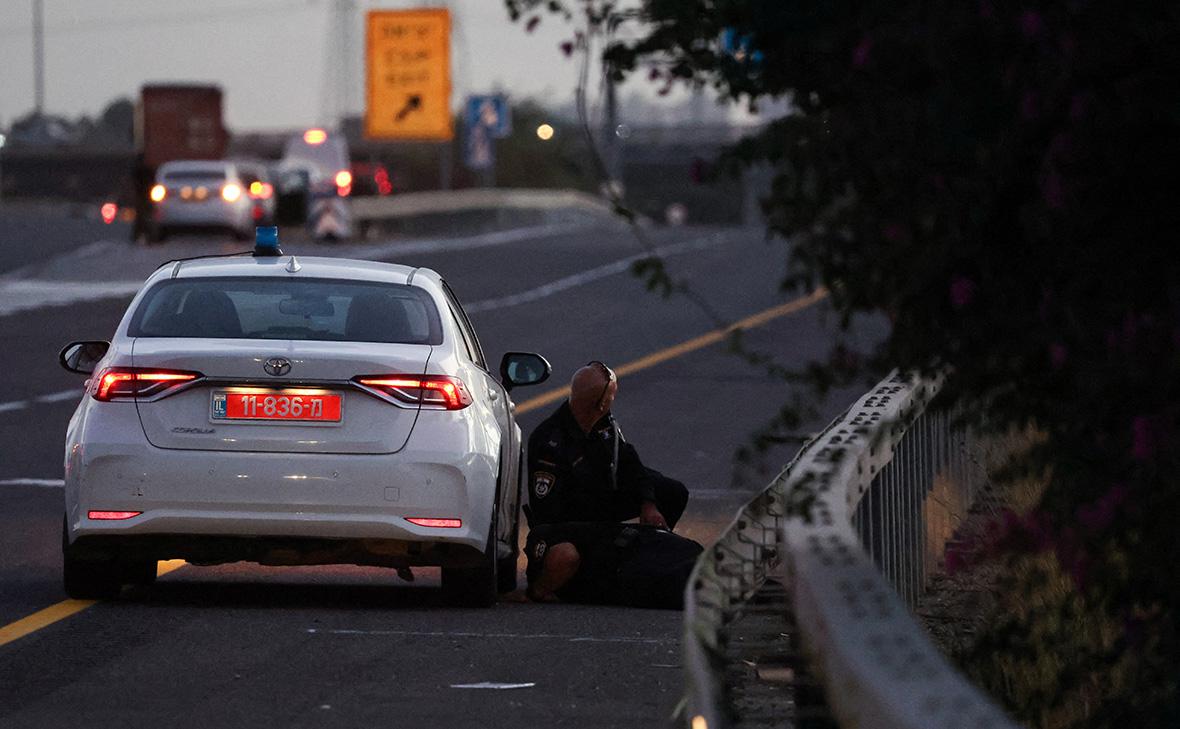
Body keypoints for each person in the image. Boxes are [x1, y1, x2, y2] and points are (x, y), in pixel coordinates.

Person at [525, 361, 689, 531]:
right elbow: (548, 510)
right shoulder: (549, 441)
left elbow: (629, 462)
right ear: (601, 404)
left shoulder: (602, 421)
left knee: (673, 492)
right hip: (572, 518)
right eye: (612, 396)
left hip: (601, 496)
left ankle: (653, 545)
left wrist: (648, 503)